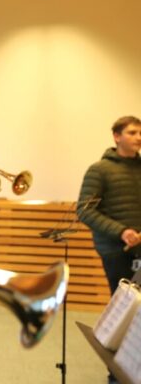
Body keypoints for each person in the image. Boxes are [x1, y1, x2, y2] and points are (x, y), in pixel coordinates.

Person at [76, 115, 141, 296]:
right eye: (132, 133)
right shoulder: (99, 170)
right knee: (123, 304)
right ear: (117, 136)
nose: (139, 137)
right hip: (116, 250)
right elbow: (84, 210)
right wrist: (122, 232)